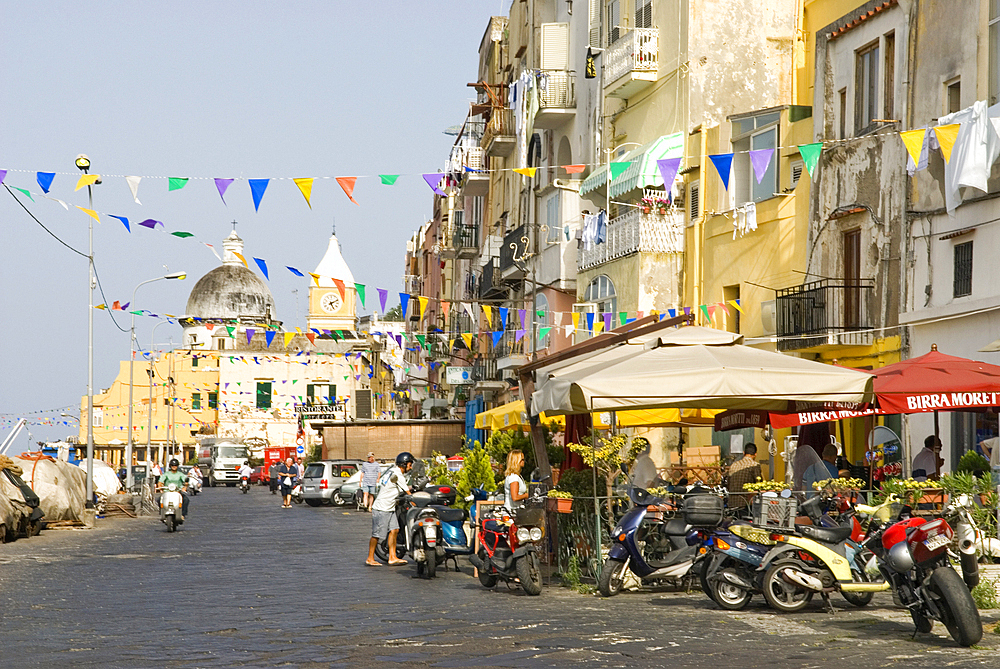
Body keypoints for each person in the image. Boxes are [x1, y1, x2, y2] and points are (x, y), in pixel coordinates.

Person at [366, 452, 413, 566]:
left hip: (389, 507)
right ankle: (370, 558)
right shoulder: (398, 475)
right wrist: (415, 502)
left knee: (395, 530)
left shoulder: (391, 471)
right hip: (382, 508)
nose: (411, 467)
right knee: (377, 534)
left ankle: (392, 557)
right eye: (410, 465)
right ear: (404, 464)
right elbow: (408, 492)